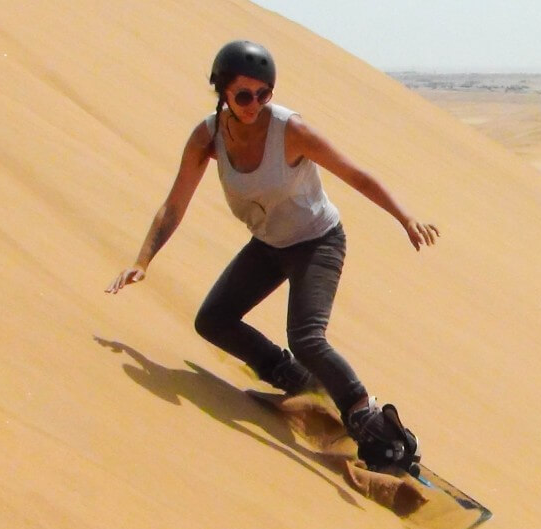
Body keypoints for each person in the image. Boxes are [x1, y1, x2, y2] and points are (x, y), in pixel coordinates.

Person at [106, 40, 439, 471]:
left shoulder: (291, 131)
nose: (254, 104)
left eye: (264, 94)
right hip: (269, 245)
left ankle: (373, 423)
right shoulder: (207, 137)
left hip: (318, 241)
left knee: (306, 336)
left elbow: (355, 175)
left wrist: (404, 217)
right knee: (213, 320)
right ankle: (298, 382)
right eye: (244, 95)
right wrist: (143, 259)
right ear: (222, 91)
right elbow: (174, 204)